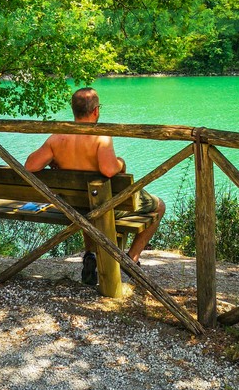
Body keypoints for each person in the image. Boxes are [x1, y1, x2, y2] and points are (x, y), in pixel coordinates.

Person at [25, 87, 165, 285]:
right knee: (159, 206)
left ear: (73, 110)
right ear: (96, 111)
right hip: (105, 207)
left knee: (89, 206)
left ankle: (90, 255)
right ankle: (131, 258)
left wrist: (52, 160)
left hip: (74, 208)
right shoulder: (101, 136)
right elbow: (109, 170)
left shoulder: (57, 137)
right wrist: (121, 163)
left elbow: (30, 165)